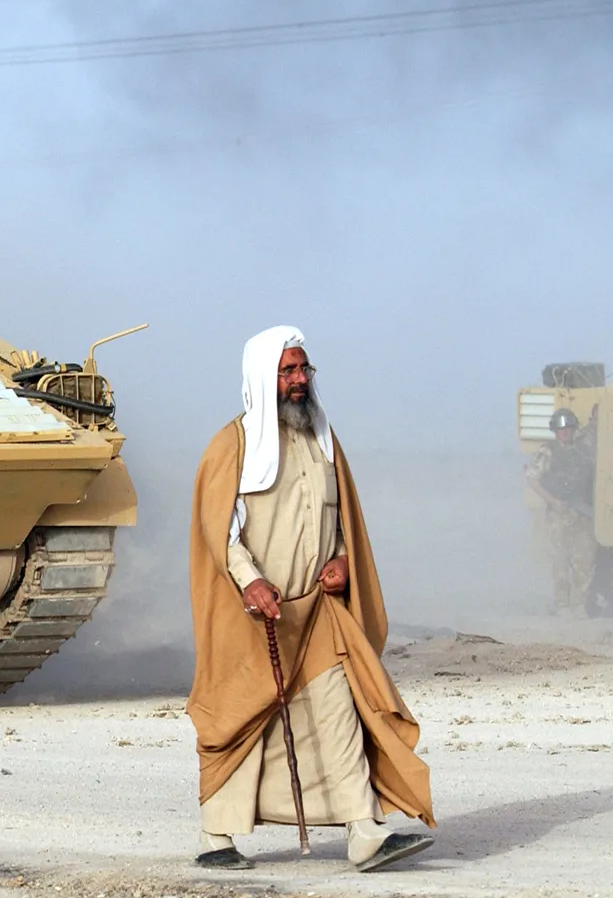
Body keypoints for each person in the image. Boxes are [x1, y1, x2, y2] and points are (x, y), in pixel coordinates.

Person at [187, 326, 435, 872]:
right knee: (239, 716)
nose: (299, 381)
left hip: (319, 612)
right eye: (288, 371)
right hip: (255, 613)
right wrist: (250, 581)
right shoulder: (232, 446)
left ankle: (364, 832)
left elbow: (344, 520)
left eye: (304, 370)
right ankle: (216, 835)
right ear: (263, 377)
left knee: (338, 708)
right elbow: (218, 533)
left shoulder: (324, 440)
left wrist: (343, 560)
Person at [528, 408, 598, 617]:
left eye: (568, 427)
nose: (565, 431)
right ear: (555, 431)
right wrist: (552, 501)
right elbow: (532, 479)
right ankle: (563, 605)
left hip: (583, 513)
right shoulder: (548, 452)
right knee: (559, 561)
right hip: (560, 513)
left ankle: (580, 604)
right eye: (560, 428)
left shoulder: (585, 450)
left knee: (584, 561)